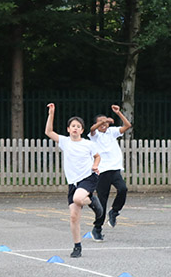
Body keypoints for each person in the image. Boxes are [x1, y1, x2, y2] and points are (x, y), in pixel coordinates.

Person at [45, 103, 103, 258]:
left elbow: (97, 156)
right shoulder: (65, 142)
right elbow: (48, 131)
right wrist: (52, 113)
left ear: (82, 130)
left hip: (88, 178)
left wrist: (95, 166)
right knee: (73, 216)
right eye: (73, 126)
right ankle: (77, 246)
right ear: (68, 129)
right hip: (73, 183)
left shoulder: (88, 144)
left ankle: (92, 202)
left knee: (78, 198)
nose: (75, 128)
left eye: (78, 126)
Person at [89, 105, 132, 242]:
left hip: (114, 169)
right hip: (102, 172)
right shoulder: (94, 136)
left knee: (123, 189)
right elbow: (92, 129)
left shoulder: (112, 132)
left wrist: (118, 113)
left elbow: (127, 125)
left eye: (106, 122)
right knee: (102, 200)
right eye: (101, 122)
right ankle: (97, 228)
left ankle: (114, 212)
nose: (104, 124)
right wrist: (103, 121)